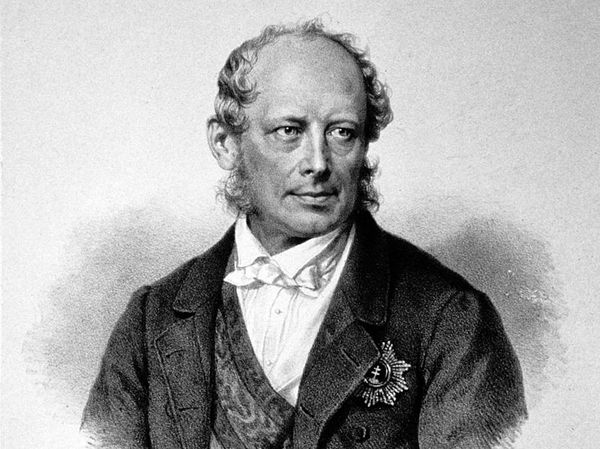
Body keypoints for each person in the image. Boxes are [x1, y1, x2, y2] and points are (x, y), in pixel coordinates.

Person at [82, 19, 526, 449]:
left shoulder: (449, 318)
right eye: (289, 131)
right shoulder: (152, 318)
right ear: (225, 143)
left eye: (342, 133)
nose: (318, 162)